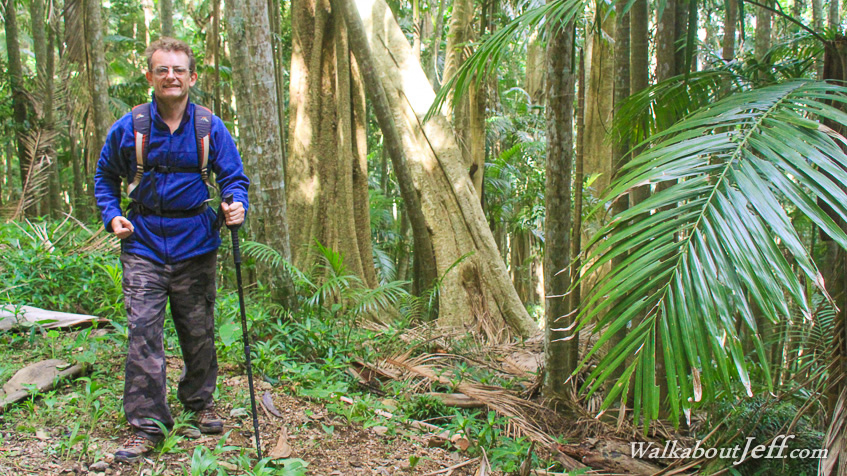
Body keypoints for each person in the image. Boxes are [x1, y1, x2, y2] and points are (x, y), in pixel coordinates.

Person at [94, 37, 249, 463]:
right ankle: (147, 425)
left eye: (178, 70)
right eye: (162, 70)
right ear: (150, 76)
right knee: (144, 335)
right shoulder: (131, 127)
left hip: (196, 245)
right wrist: (112, 215)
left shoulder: (208, 126)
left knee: (198, 332)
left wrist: (236, 205)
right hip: (142, 243)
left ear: (192, 77)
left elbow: (234, 178)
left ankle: (198, 406)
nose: (171, 77)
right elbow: (105, 177)